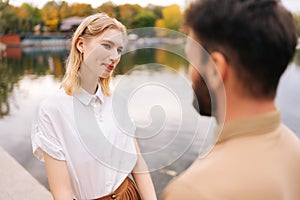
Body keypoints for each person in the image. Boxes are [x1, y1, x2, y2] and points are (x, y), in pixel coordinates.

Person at [162, 0, 300, 199]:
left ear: (215, 68)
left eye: (191, 60)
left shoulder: (192, 191)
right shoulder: (294, 149)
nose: (189, 74)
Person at [31, 13, 156, 200]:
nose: (115, 57)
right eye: (107, 45)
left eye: (119, 50)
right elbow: (62, 193)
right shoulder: (52, 110)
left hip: (129, 194)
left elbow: (138, 165)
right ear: (81, 44)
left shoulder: (118, 101)